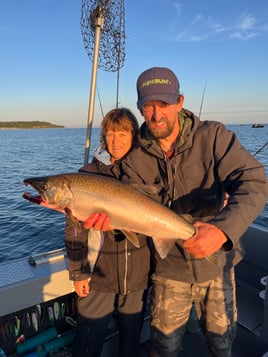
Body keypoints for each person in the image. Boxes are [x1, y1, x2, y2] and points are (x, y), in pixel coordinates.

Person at [85, 67, 267, 356]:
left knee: (221, 344)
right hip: (169, 269)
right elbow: (131, 213)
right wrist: (111, 222)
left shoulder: (214, 137)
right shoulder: (134, 159)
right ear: (141, 109)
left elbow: (254, 181)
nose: (157, 115)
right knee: (162, 347)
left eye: (164, 105)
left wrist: (223, 229)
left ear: (180, 102)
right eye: (148, 106)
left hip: (216, 264)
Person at [65, 108, 152, 357]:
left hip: (137, 274)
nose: (115, 140)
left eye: (122, 133)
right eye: (111, 133)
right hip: (98, 276)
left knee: (130, 342)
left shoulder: (147, 173)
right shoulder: (87, 175)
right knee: (87, 342)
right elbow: (74, 230)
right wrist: (78, 273)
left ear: (134, 136)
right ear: (104, 136)